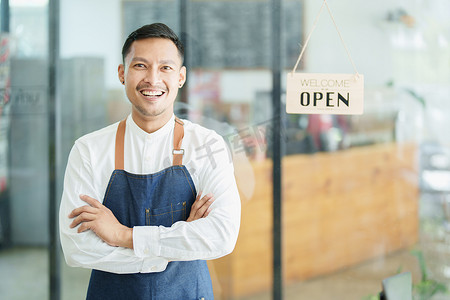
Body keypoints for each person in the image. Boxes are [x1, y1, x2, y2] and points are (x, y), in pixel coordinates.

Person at [59, 23, 241, 300]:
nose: (153, 79)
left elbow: (221, 236)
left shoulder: (208, 145)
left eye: (165, 68)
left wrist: (122, 235)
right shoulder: (88, 150)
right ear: (122, 73)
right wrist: (179, 244)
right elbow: (77, 247)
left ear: (180, 77)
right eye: (140, 66)